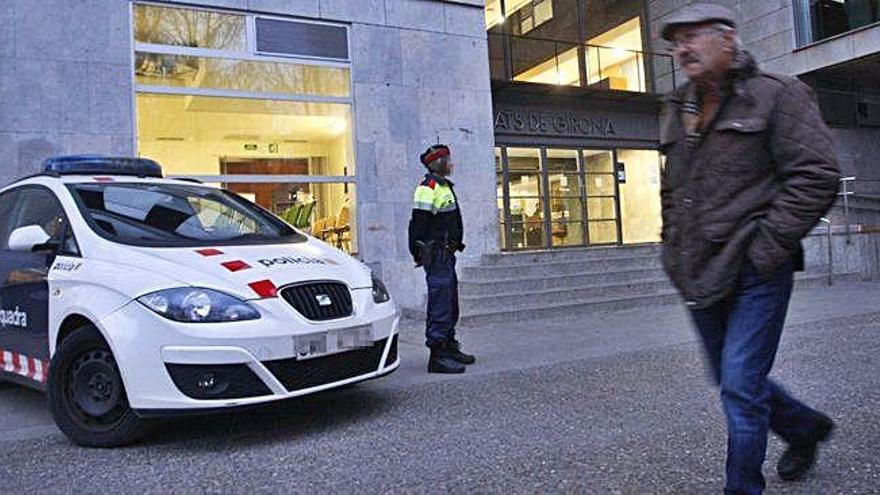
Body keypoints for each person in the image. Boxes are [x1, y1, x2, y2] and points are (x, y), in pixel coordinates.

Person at [658, 4, 841, 494]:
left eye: (694, 36)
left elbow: (817, 174)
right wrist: (670, 247)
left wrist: (767, 247)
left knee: (740, 387)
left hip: (756, 268)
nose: (683, 49)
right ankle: (803, 428)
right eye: (676, 41)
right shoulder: (678, 106)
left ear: (728, 38)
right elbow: (672, 189)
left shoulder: (777, 95)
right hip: (696, 268)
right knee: (729, 375)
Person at [407, 144, 476, 374]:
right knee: (440, 304)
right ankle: (437, 355)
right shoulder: (428, 187)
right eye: (447, 159)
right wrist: (418, 251)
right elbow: (418, 222)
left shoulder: (444, 186)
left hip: (447, 255)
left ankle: (449, 346)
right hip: (436, 255)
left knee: (450, 303)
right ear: (438, 163)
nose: (451, 163)